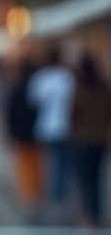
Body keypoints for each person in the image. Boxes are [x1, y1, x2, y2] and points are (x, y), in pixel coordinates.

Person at [28, 45, 77, 223]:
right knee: (64, 163)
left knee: (52, 162)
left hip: (46, 127)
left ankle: (55, 196)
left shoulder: (41, 78)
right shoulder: (67, 77)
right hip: (66, 127)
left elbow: (33, 102)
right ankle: (60, 196)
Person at [70, 51, 111, 226]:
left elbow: (72, 115)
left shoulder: (79, 89)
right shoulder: (105, 88)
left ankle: (89, 215)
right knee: (96, 178)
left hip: (82, 139)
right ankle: (96, 212)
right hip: (100, 138)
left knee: (84, 179)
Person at [5, 53, 43, 217]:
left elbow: (10, 113)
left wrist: (11, 132)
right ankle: (34, 192)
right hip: (35, 131)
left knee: (25, 164)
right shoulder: (36, 87)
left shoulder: (17, 88)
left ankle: (28, 194)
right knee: (37, 163)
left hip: (22, 133)